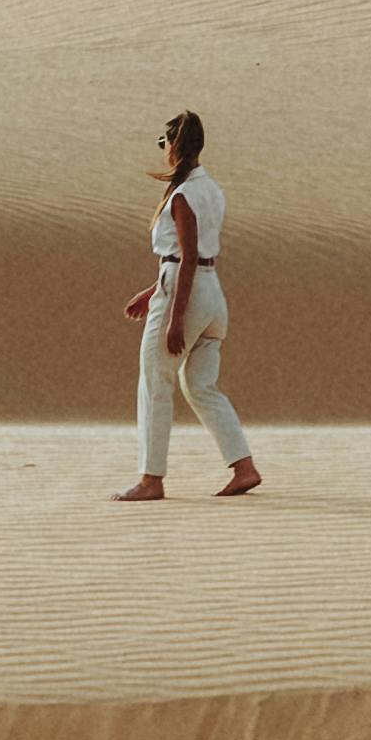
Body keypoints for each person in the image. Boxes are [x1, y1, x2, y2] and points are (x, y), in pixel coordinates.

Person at [117, 109, 259, 502]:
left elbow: (187, 256)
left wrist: (175, 317)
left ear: (175, 146)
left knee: (155, 381)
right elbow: (194, 257)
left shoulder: (182, 195)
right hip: (212, 295)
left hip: (187, 291)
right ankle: (243, 467)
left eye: (164, 144)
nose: (163, 152)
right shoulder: (212, 188)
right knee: (200, 386)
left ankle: (151, 479)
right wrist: (153, 291)